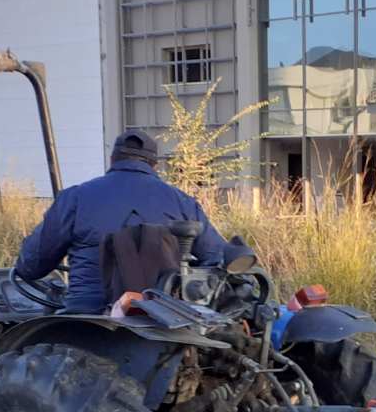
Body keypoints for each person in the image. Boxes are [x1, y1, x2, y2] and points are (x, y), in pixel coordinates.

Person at [13, 128, 226, 313]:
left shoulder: (75, 198)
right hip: (164, 319)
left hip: (86, 320)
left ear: (112, 160)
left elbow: (30, 266)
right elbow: (217, 259)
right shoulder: (183, 203)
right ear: (155, 166)